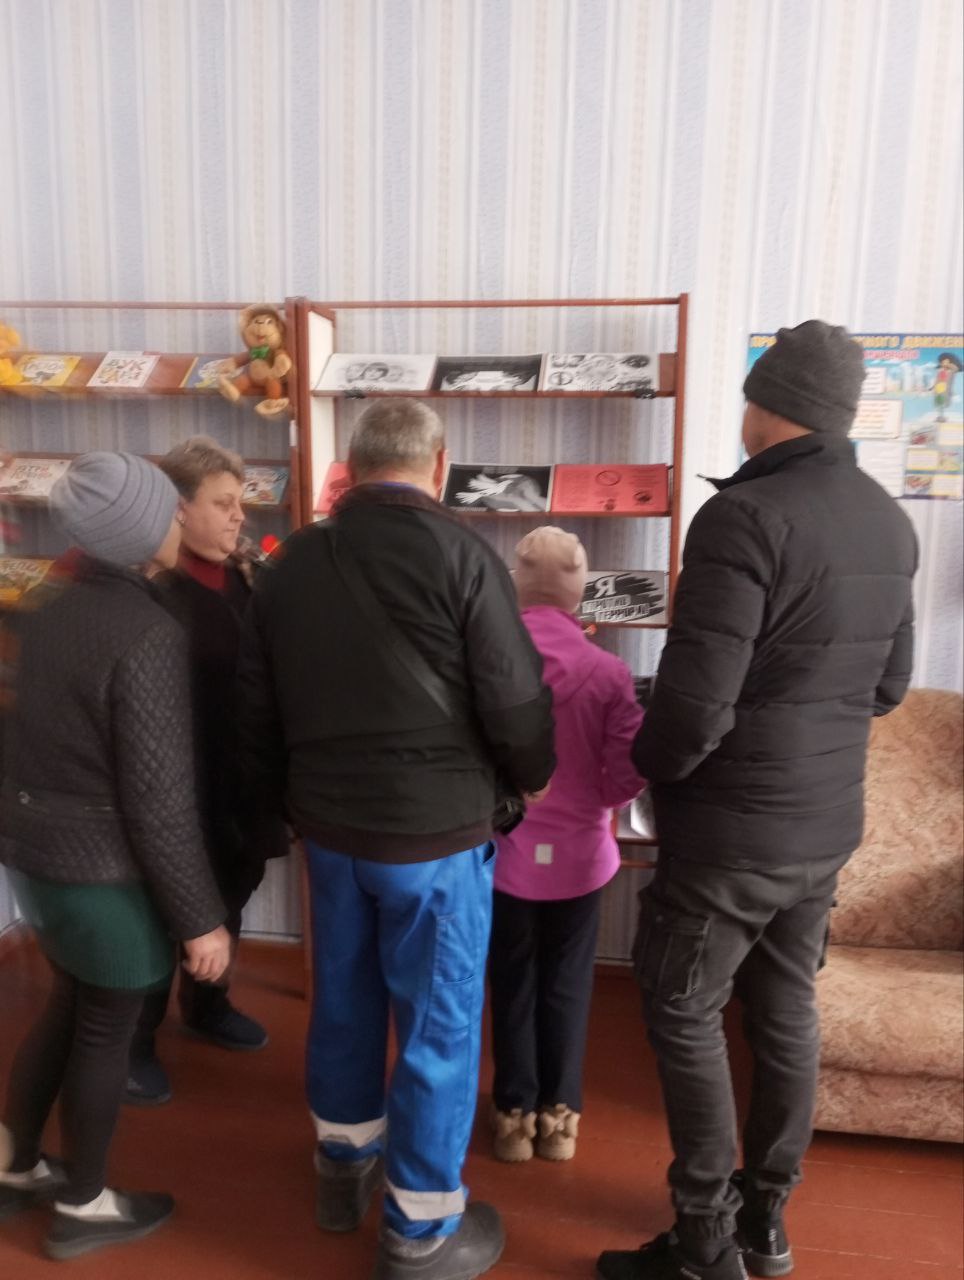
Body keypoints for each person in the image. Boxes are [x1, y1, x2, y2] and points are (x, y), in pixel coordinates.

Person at [596, 321, 918, 1280]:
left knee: (682, 1008)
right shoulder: (886, 519)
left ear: (764, 406)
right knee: (784, 1012)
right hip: (825, 827)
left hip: (732, 836)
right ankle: (766, 1223)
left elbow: (693, 712)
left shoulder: (741, 518)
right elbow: (891, 687)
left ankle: (703, 1238)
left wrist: (644, 766)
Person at [238, 399, 555, 1280]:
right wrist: (533, 774)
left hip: (329, 832)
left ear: (352, 465)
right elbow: (515, 699)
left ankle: (343, 1168)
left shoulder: (290, 563)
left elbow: (254, 709)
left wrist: (279, 808)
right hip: (434, 838)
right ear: (439, 464)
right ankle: (420, 1229)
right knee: (437, 1025)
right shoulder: (465, 556)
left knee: (342, 1001)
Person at [0, 452, 230, 1261]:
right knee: (105, 1025)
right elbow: (158, 801)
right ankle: (86, 1204)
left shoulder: (46, 607)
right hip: (105, 872)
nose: (179, 519)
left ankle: (15, 1164)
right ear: (138, 528)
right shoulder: (146, 632)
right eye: (169, 509)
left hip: (39, 855)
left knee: (69, 1004)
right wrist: (200, 920)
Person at [126, 437, 287, 1106]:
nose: (238, 516)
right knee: (159, 911)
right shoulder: (150, 590)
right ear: (179, 509)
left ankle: (208, 1004)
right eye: (222, 504)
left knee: (230, 893)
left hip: (240, 780)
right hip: (174, 783)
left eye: (239, 503)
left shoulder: (250, 576)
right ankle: (134, 1040)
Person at [488, 528, 644, 1164]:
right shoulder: (610, 672)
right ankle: (560, 1121)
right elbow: (630, 772)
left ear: (517, 586)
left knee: (512, 982)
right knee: (568, 984)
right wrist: (595, 803)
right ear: (580, 592)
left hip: (505, 856)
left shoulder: (491, 665)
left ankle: (512, 1118)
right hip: (582, 857)